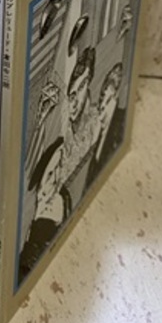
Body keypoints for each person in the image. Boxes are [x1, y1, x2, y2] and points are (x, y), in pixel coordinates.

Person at [19, 47, 100, 280]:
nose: (73, 102)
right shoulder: (57, 141)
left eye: (80, 89)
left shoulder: (91, 129)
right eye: (71, 95)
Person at [85, 63, 126, 188]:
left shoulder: (120, 127)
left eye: (107, 101)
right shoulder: (95, 131)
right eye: (101, 98)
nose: (101, 107)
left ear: (115, 99)